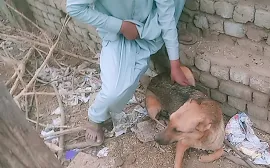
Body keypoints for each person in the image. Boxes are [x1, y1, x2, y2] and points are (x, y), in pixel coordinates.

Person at [66, 0, 196, 145]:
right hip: (117, 34)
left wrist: (175, 64)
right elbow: (74, 8)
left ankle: (174, 29)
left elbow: (166, 14)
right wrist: (121, 26)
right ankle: (95, 118)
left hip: (150, 27)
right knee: (113, 92)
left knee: (169, 17)